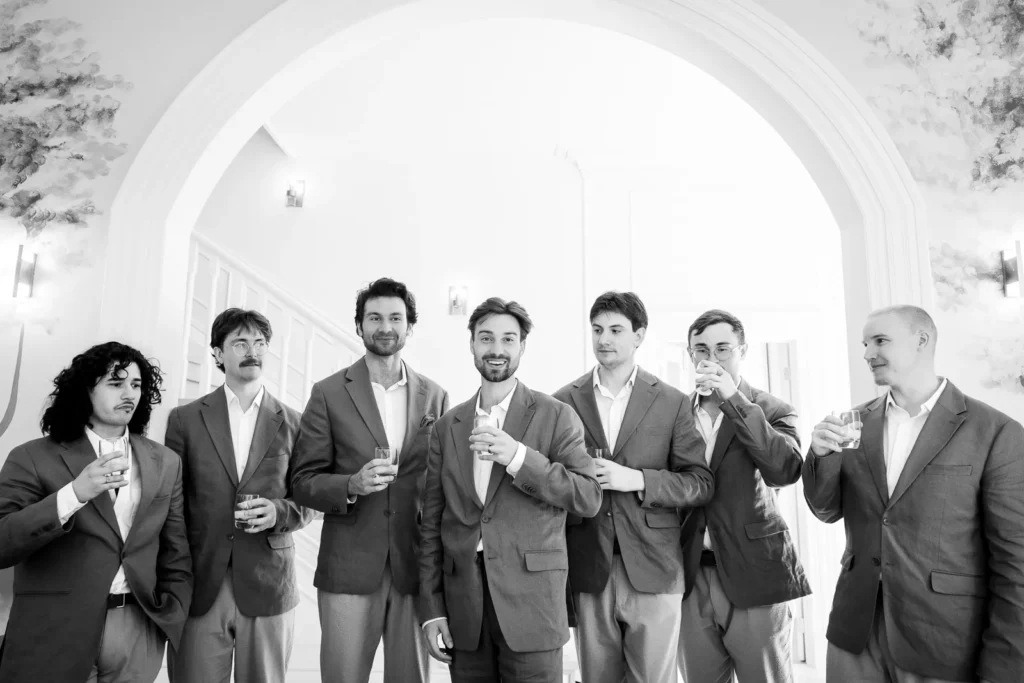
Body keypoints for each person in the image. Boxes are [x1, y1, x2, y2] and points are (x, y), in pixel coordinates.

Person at [804, 305, 1024, 683]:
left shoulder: (996, 432)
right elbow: (826, 510)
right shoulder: (853, 423)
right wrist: (821, 456)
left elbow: (1015, 563)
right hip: (854, 633)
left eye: (880, 341)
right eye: (865, 344)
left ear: (921, 340)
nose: (868, 353)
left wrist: (1006, 668)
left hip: (943, 639)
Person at [418, 297, 603, 683]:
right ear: (472, 344)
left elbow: (587, 496)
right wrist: (433, 609)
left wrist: (519, 457)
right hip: (464, 609)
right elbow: (432, 523)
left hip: (533, 606)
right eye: (486, 338)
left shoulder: (556, 415)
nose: (497, 349)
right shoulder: (447, 427)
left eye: (508, 339)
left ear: (522, 346)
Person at [0, 342, 191, 682]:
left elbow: (175, 549)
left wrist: (171, 613)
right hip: (54, 627)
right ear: (85, 390)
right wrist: (73, 494)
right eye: (116, 383)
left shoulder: (166, 462)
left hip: (138, 627)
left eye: (136, 384)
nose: (129, 393)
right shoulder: (30, 457)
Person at [292, 278, 449, 683]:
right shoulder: (328, 393)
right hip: (348, 567)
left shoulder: (435, 396)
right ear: (359, 325)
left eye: (395, 318)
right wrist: (350, 485)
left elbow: (442, 487)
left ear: (410, 327)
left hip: (415, 568)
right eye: (375, 317)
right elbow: (302, 482)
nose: (385, 326)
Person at [553, 291, 714, 683]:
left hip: (655, 566)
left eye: (615, 330)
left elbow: (700, 483)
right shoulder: (562, 402)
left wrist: (639, 480)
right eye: (597, 330)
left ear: (639, 335)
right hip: (588, 565)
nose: (603, 339)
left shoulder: (672, 402)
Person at [165, 308, 316, 683]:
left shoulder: (296, 423)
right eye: (240, 343)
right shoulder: (184, 420)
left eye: (260, 343)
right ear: (218, 353)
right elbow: (171, 505)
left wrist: (279, 512)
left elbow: (311, 498)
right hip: (200, 583)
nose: (252, 351)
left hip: (269, 582)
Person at [677, 309, 810, 683]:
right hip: (689, 575)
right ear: (690, 354)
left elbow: (784, 470)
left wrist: (733, 399)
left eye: (723, 349)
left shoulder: (773, 409)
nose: (712, 358)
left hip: (756, 572)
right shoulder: (674, 414)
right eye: (701, 349)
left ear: (743, 351)